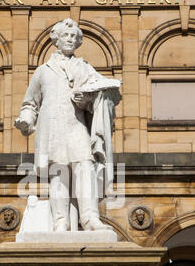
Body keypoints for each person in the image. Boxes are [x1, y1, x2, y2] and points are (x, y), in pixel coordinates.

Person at [15, 18, 121, 232]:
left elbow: (109, 94)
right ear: (56, 39)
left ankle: (90, 217)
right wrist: (26, 119)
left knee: (85, 167)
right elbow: (30, 103)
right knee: (59, 173)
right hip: (52, 129)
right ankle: (60, 221)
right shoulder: (43, 71)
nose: (70, 39)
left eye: (74, 37)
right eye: (66, 35)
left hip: (77, 126)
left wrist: (89, 101)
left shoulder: (85, 68)